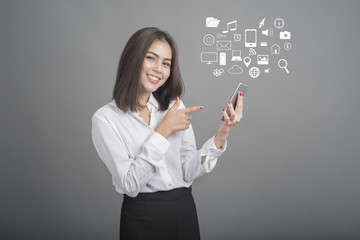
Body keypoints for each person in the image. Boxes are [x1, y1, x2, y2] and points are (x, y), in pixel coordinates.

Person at [91, 27, 244, 240]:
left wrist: (221, 136)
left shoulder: (174, 107)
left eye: (166, 63)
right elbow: (130, 184)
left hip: (184, 213)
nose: (159, 69)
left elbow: (188, 172)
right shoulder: (106, 118)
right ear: (133, 59)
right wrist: (163, 131)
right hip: (141, 217)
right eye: (151, 58)